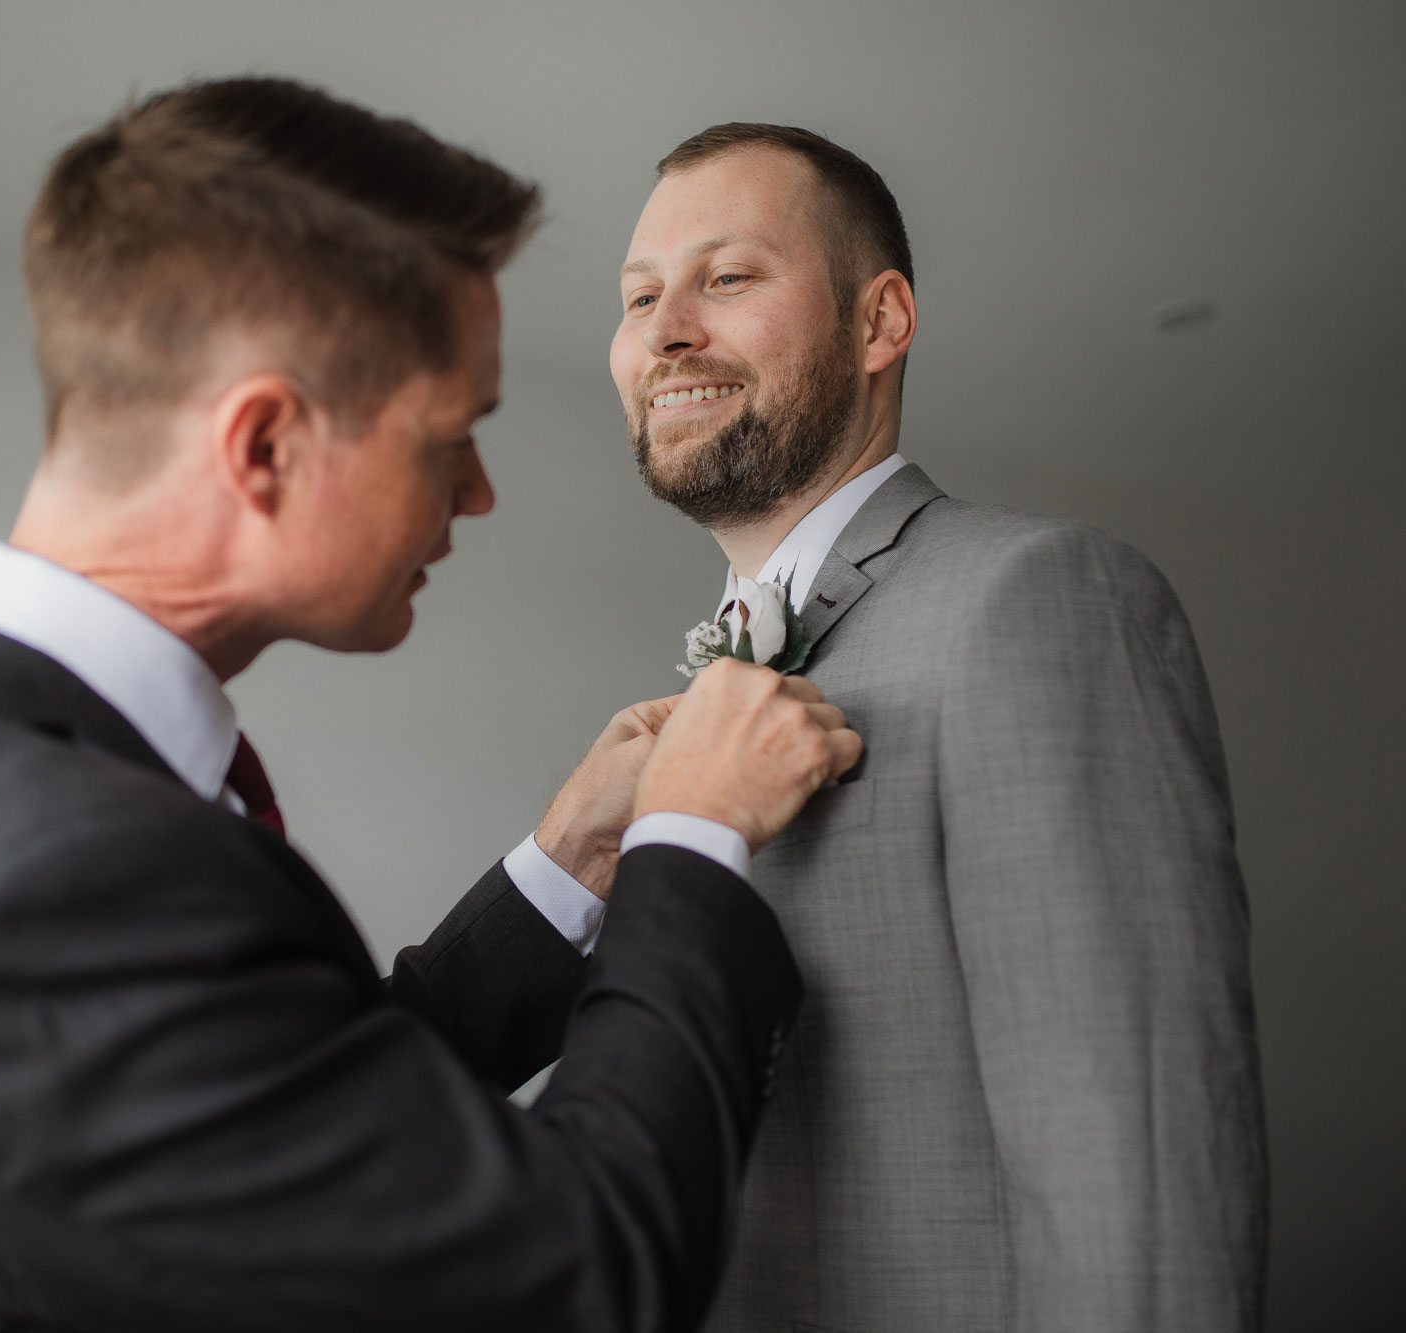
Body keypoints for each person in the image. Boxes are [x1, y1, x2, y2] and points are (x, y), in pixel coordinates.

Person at [0, 81, 863, 1333]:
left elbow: (279, 1130)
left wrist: (571, 866)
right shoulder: (57, 874)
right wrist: (689, 841)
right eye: (453, 434)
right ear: (264, 445)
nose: (481, 492)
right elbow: (574, 1276)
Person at [572, 122, 1268, 1331]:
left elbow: (1139, 1167)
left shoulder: (1038, 597)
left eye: (725, 277)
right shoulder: (692, 706)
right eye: (639, 296)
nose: (665, 329)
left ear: (878, 320)